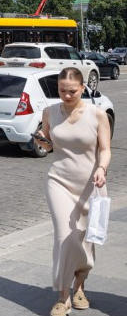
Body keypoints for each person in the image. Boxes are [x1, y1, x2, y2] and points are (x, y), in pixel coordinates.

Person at [36, 67, 111, 316]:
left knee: (85, 240)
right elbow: (46, 144)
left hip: (91, 184)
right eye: (61, 91)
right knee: (64, 236)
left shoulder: (98, 115)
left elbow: (106, 149)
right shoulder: (49, 112)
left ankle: (79, 286)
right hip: (59, 181)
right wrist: (41, 141)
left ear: (83, 88)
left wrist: (102, 168)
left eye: (72, 91)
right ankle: (63, 296)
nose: (66, 96)